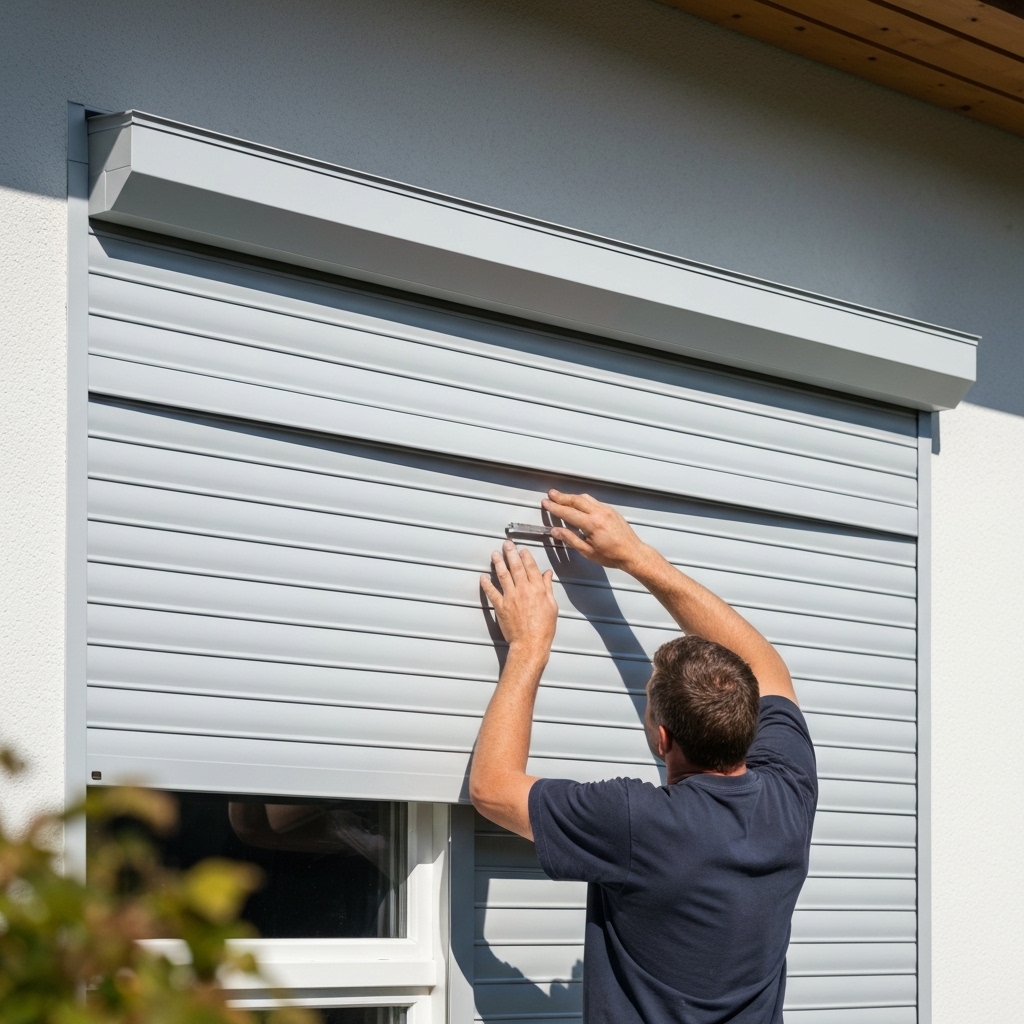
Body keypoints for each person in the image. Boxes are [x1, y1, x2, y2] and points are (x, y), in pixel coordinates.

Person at [470, 489, 817, 1024]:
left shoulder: (640, 822)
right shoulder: (788, 798)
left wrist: (528, 647)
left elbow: (492, 789)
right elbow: (768, 669)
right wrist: (638, 557)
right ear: (748, 721)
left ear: (662, 738)